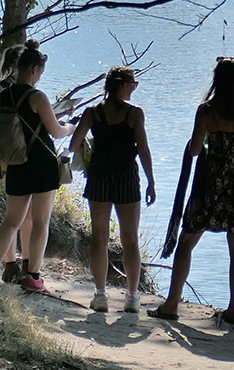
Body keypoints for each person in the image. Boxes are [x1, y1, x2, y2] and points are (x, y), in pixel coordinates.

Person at [148, 57, 234, 326]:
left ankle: (172, 303)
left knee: (187, 242)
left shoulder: (207, 111)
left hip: (211, 183)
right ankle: (233, 310)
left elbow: (196, 149)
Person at [0, 39, 74, 293]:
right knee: (40, 222)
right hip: (41, 162)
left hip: (16, 161)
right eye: (40, 72)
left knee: (10, 221)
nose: (40, 76)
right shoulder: (37, 96)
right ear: (33, 70)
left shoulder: (4, 94)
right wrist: (72, 126)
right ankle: (33, 277)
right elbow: (57, 132)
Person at [68, 66, 156, 314]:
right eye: (133, 84)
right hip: (127, 176)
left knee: (100, 237)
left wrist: (90, 146)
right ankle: (131, 296)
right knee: (130, 239)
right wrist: (151, 182)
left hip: (99, 177)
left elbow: (75, 145)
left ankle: (101, 294)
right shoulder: (135, 114)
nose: (134, 88)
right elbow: (144, 150)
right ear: (123, 86)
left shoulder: (92, 113)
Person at [0, 44, 33, 284]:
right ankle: (9, 263)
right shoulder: (1, 89)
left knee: (28, 215)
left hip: (26, 157)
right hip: (9, 157)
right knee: (13, 215)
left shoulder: (29, 89)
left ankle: (26, 262)